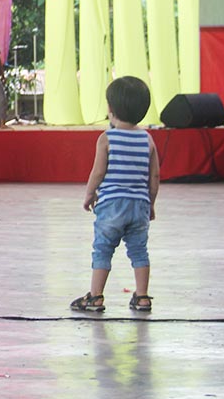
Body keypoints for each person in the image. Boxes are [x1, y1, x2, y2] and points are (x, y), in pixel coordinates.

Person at [70, 76, 160, 313]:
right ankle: (142, 298)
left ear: (111, 109)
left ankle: (96, 297)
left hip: (111, 205)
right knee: (139, 251)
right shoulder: (147, 139)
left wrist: (89, 195)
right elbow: (154, 177)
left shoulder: (106, 138)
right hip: (139, 206)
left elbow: (98, 172)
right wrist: (150, 204)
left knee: (103, 249)